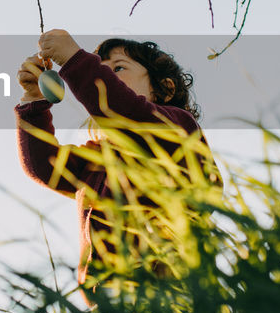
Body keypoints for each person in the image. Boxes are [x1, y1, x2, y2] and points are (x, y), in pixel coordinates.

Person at [15, 29, 217, 297]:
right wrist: (34, 100)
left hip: (167, 291)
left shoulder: (175, 127)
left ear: (165, 89)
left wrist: (76, 60)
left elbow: (126, 112)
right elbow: (43, 166)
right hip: (111, 305)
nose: (106, 75)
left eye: (118, 68)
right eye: (103, 69)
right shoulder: (97, 157)